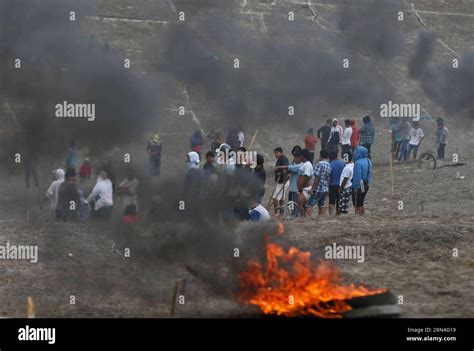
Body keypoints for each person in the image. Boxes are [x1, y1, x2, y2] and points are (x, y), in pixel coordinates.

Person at [275, 152, 303, 218]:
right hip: (292, 187)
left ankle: (295, 215)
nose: (295, 160)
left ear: (300, 158)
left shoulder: (300, 166)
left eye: (296, 158)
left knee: (295, 202)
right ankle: (293, 214)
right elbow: (290, 170)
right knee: (292, 202)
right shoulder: (296, 165)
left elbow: (289, 167)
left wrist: (279, 167)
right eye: (294, 158)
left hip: (296, 188)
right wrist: (287, 172)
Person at [308, 149, 331, 216]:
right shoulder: (329, 165)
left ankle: (308, 220)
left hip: (318, 189)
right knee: (321, 205)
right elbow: (328, 178)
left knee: (309, 205)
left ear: (320, 155)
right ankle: (321, 219)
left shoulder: (319, 164)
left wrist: (312, 189)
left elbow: (317, 178)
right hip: (324, 189)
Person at [352, 146, 372, 215]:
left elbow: (358, 176)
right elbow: (369, 174)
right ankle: (362, 213)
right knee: (361, 199)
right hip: (366, 183)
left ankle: (358, 214)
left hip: (361, 183)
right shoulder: (368, 161)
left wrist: (356, 187)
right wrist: (368, 183)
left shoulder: (358, 163)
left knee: (357, 201)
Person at [272, 147, 289, 218]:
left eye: (277, 153)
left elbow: (286, 168)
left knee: (275, 198)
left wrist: (279, 170)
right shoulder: (279, 159)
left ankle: (276, 213)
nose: (276, 154)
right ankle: (281, 213)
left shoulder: (284, 158)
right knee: (281, 198)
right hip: (280, 182)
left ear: (281, 152)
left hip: (283, 181)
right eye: (275, 153)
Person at [297, 149, 314, 218]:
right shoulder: (305, 164)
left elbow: (306, 177)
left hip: (305, 189)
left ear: (303, 156)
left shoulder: (307, 165)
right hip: (303, 189)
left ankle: (304, 218)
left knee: (300, 204)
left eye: (300, 156)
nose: (299, 157)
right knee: (302, 205)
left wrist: (300, 187)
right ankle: (304, 218)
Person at [328, 150, 345, 215]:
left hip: (332, 185)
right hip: (341, 185)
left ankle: (331, 215)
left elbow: (329, 176)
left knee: (331, 202)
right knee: (339, 201)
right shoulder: (342, 163)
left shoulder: (330, 164)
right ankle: (338, 215)